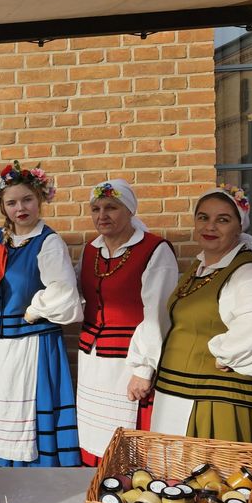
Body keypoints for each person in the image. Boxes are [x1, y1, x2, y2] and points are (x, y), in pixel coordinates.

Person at [0, 161, 82, 467]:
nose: (21, 208)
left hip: (32, 344)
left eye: (27, 200)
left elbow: (64, 291)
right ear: (3, 207)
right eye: (12, 202)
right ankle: (5, 470)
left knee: (30, 414)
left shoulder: (48, 242)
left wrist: (34, 310)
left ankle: (35, 473)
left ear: (40, 200)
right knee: (3, 412)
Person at [151, 184, 252, 444]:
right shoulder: (200, 266)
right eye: (203, 218)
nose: (210, 227)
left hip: (214, 398)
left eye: (222, 220)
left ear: (239, 227)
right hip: (178, 393)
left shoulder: (246, 273)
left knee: (211, 479)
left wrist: (223, 353)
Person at [76, 179, 178, 465]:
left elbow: (158, 314)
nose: (102, 215)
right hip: (92, 360)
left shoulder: (155, 250)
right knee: (95, 433)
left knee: (128, 436)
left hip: (129, 360)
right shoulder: (90, 250)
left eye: (111, 207)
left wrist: (144, 370)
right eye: (95, 208)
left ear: (130, 210)